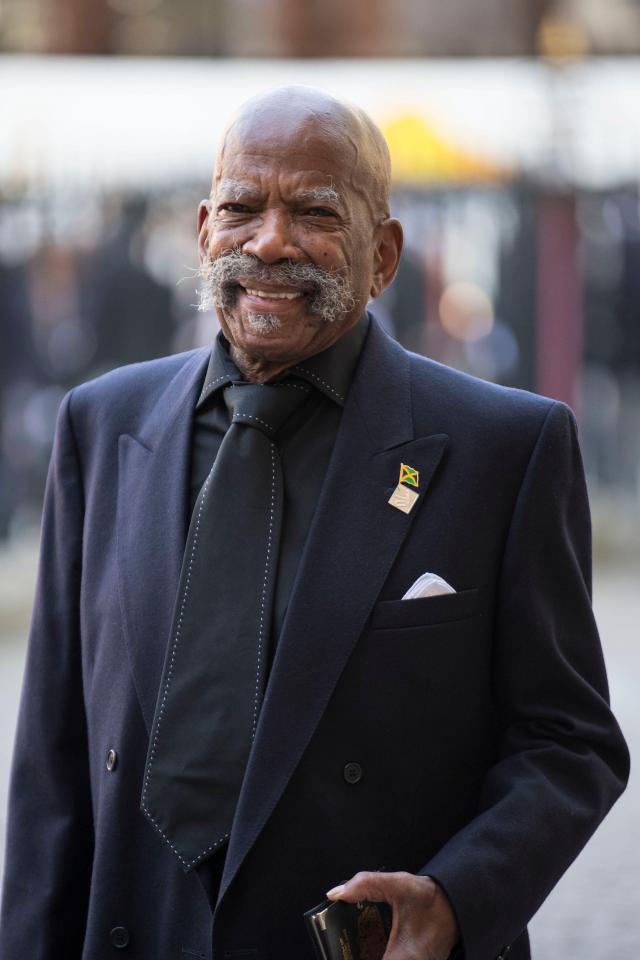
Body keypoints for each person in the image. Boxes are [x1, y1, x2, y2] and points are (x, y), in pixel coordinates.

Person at [0, 86, 629, 960]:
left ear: (384, 255)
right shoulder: (103, 424)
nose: (270, 241)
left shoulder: (506, 448)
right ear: (203, 230)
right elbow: (52, 763)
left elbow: (571, 743)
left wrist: (455, 899)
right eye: (242, 207)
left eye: (314, 211)